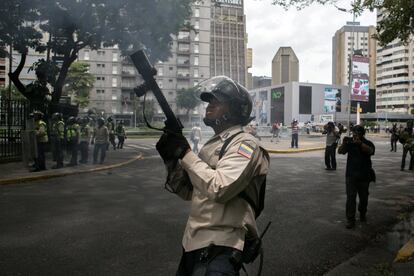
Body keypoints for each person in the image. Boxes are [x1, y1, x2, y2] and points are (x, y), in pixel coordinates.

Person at [155, 76, 269, 275]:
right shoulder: (213, 145)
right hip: (192, 242)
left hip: (220, 247)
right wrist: (171, 160)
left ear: (234, 111)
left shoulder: (245, 143)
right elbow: (188, 192)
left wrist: (185, 153)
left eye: (218, 101)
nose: (210, 105)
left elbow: (220, 188)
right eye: (209, 101)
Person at [338, 125, 376, 229]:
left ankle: (362, 213)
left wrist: (360, 144)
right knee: (350, 198)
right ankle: (350, 220)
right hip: (351, 176)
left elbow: (371, 151)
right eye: (353, 132)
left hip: (364, 176)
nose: (354, 134)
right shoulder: (350, 142)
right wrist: (344, 143)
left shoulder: (368, 143)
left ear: (362, 134)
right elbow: (340, 151)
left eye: (357, 133)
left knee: (363, 199)